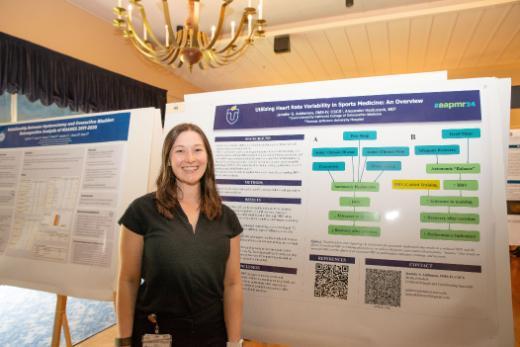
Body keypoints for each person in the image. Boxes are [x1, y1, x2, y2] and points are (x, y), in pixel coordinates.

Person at [115, 123, 243, 347]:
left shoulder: (227, 218)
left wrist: (234, 342)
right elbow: (128, 280)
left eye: (197, 149)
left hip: (211, 335)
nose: (190, 158)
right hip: (156, 331)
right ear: (168, 158)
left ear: (207, 157)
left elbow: (232, 284)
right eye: (180, 150)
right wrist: (123, 340)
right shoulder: (141, 211)